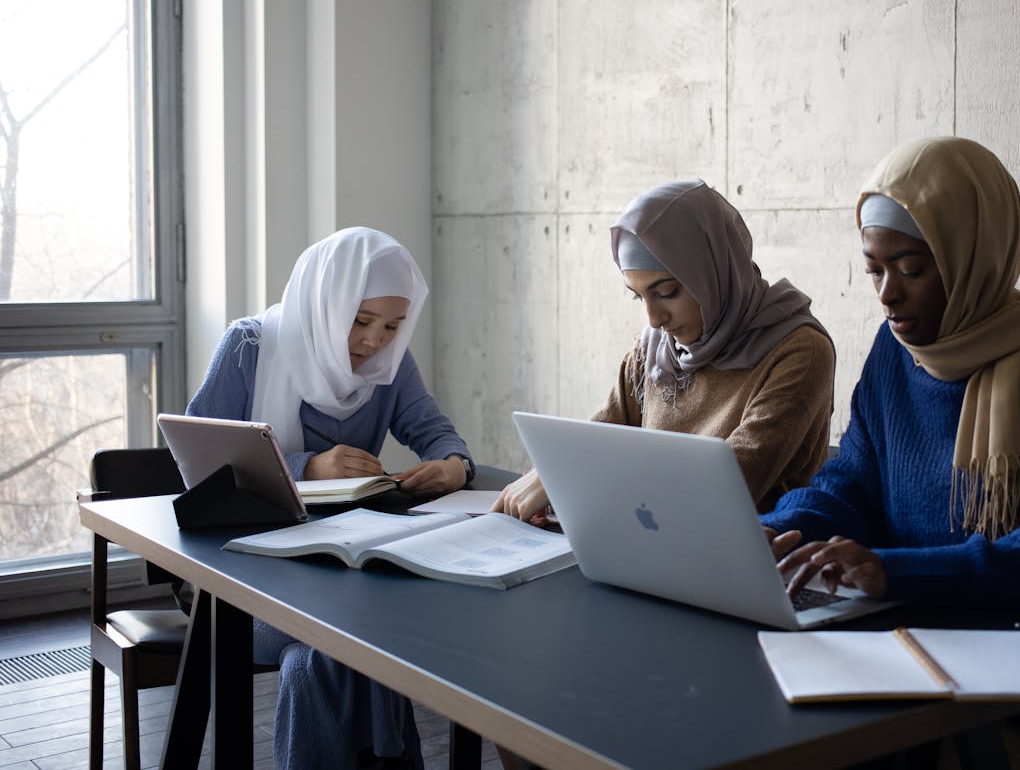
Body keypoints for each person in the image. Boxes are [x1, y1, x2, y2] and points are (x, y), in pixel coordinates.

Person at [763, 137, 1020, 770]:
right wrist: (766, 533)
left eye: (911, 269)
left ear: (973, 256)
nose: (887, 294)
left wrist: (895, 571)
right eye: (873, 269)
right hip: (902, 658)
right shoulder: (898, 352)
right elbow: (851, 484)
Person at [187, 226, 474, 770]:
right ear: (325, 302)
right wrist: (304, 469)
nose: (374, 342)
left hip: (343, 563)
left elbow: (436, 431)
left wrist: (454, 465)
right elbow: (199, 464)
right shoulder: (250, 348)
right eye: (361, 321)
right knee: (359, 638)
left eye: (393, 326)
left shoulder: (389, 365)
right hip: (241, 574)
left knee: (323, 654)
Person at [492, 178, 836, 523]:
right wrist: (555, 475)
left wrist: (566, 476)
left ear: (714, 272)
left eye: (667, 292)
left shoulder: (799, 352)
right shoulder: (654, 349)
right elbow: (597, 439)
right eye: (639, 296)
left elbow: (722, 488)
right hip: (650, 547)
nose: (654, 319)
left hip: (758, 562)